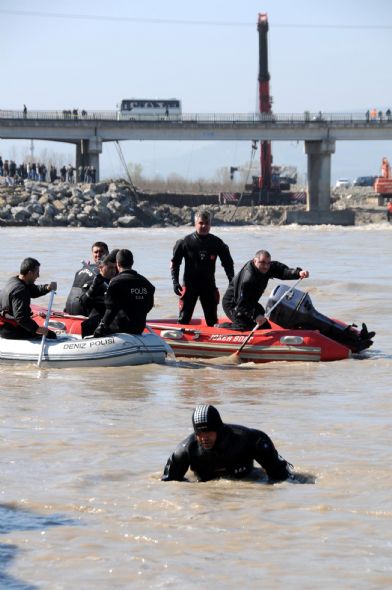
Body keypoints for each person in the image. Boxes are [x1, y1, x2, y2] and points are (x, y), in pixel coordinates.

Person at [161, 404, 293, 483]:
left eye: (208, 432)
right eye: (199, 434)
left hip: (247, 489)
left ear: (219, 429)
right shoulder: (186, 450)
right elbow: (169, 484)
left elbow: (282, 476)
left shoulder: (249, 439)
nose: (204, 438)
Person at [171, 209, 234, 326]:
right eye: (201, 223)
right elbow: (175, 263)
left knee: (212, 321)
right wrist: (175, 282)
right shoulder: (184, 242)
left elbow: (228, 263)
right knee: (184, 319)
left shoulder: (217, 243)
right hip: (189, 286)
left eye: (207, 223)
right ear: (195, 224)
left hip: (209, 286)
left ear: (210, 224)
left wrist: (232, 282)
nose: (204, 226)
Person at [222, 249, 309, 331]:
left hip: (250, 303)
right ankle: (220, 327)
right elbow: (241, 302)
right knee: (246, 326)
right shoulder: (248, 278)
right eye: (262, 263)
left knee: (265, 327)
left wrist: (298, 273)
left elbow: (282, 271)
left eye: (268, 263)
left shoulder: (267, 267)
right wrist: (255, 316)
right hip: (233, 304)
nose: (266, 266)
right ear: (254, 261)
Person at [93, 249, 155, 337]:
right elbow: (148, 307)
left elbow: (110, 310)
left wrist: (100, 328)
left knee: (90, 324)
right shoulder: (146, 283)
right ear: (132, 262)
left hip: (120, 328)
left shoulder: (116, 282)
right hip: (138, 328)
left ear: (117, 263)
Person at [0, 257, 57, 340]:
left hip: (6, 326)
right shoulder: (20, 290)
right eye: (37, 273)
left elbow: (33, 290)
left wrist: (47, 287)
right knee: (51, 335)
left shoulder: (14, 280)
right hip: (11, 330)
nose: (38, 276)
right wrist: (37, 329)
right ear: (30, 273)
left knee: (48, 333)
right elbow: (21, 317)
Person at [79, 251, 118, 337]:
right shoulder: (91, 284)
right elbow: (83, 304)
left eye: (115, 268)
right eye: (110, 268)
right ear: (101, 267)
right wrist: (94, 287)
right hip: (96, 323)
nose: (113, 271)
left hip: (114, 323)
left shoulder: (118, 284)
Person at [64, 241, 109, 315]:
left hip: (69, 308)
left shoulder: (81, 269)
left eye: (101, 251)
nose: (98, 254)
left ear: (107, 253)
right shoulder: (103, 271)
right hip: (82, 311)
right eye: (96, 252)